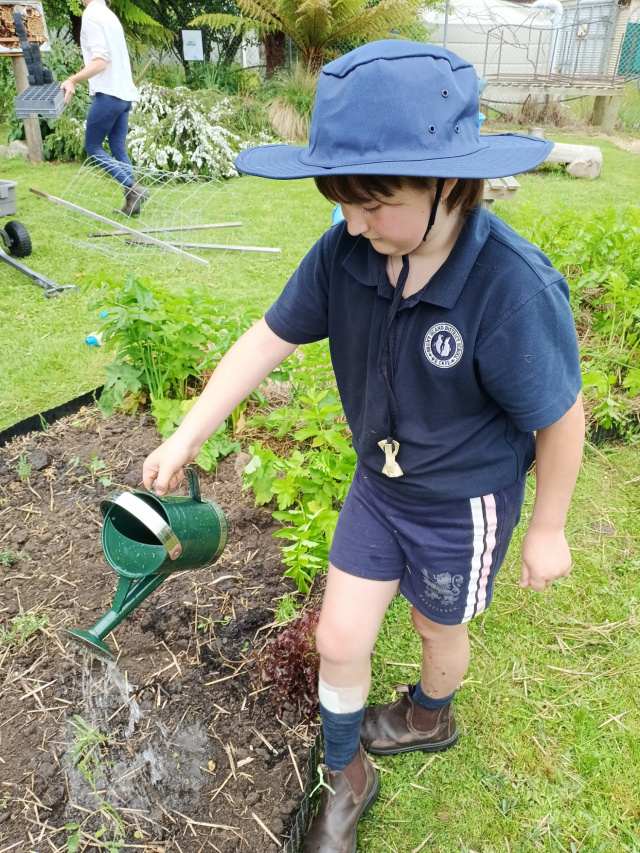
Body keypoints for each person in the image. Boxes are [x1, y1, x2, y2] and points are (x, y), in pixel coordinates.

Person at [142, 41, 585, 853]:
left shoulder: (512, 288)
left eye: (373, 201)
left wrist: (549, 525)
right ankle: (347, 777)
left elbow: (561, 416)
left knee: (433, 624)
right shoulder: (346, 254)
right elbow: (266, 339)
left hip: (464, 503)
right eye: (342, 198)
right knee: (339, 638)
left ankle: (428, 713)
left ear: (449, 182)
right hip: (379, 487)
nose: (352, 220)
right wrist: (187, 432)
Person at [60, 0, 147, 215]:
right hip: (124, 95)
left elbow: (100, 61)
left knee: (93, 147)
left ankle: (134, 188)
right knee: (118, 149)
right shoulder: (109, 15)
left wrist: (72, 79)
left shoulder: (91, 15)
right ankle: (132, 204)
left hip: (109, 93)